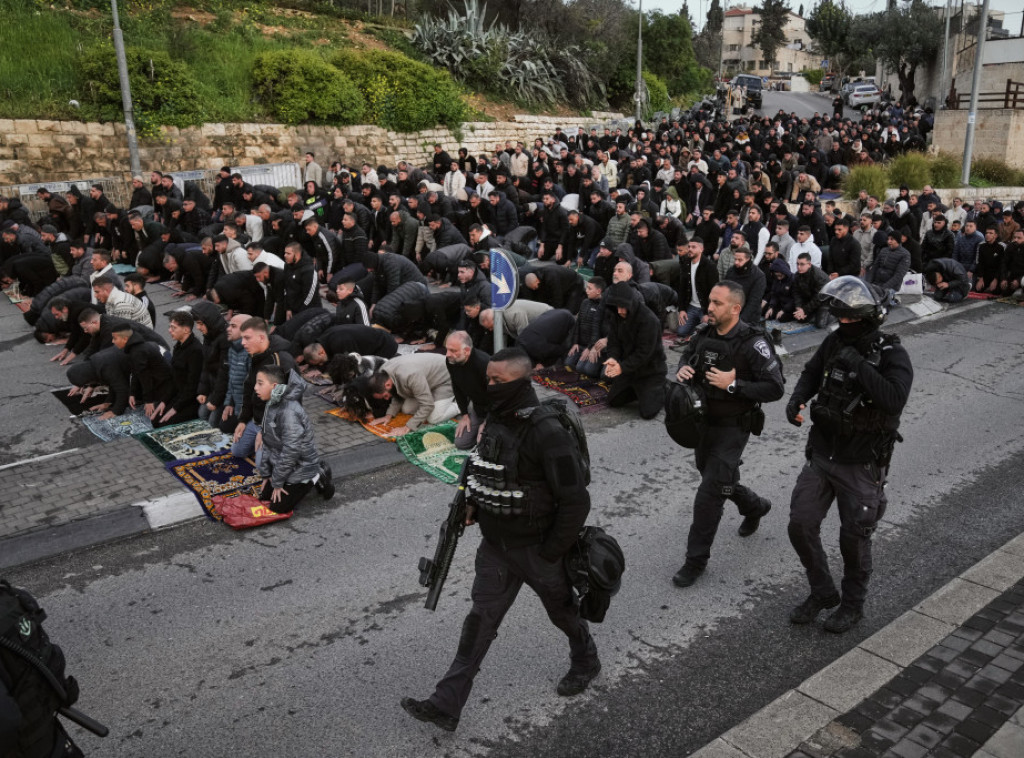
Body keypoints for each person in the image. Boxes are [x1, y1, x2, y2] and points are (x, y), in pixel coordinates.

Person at [402, 348, 598, 732]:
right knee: (480, 619)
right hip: (496, 548)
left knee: (562, 612)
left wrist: (550, 552)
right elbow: (487, 468)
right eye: (487, 379)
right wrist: (474, 504)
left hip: (539, 548)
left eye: (497, 381)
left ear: (521, 383)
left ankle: (586, 658)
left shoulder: (546, 431)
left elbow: (576, 500)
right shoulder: (494, 419)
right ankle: (446, 703)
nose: (489, 386)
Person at [785, 277, 913, 632]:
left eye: (850, 319)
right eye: (840, 319)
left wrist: (859, 365)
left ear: (868, 318)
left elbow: (893, 399)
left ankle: (853, 605)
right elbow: (811, 372)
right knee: (801, 524)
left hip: (862, 464)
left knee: (853, 538)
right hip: (823, 453)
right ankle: (823, 592)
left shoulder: (892, 353)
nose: (843, 324)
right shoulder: (835, 340)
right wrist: (796, 399)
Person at [672, 280, 785, 588]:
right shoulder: (705, 333)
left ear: (735, 308)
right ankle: (755, 506)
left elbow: (776, 387)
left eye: (717, 303)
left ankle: (695, 561)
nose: (709, 307)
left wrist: (734, 385)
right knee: (716, 479)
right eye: (709, 300)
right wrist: (683, 369)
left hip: (734, 427)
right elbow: (688, 357)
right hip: (702, 423)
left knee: (709, 494)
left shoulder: (753, 341)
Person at [255, 364, 334, 514]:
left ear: (274, 386)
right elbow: (268, 442)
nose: (255, 388)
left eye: (260, 383)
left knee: (278, 508)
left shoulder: (289, 412)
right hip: (285, 463)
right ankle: (292, 481)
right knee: (264, 497)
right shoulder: (272, 403)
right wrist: (266, 474)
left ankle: (317, 474)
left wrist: (277, 482)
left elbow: (292, 450)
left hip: (302, 464)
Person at [601, 281, 666, 419]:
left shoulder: (649, 320)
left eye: (623, 306)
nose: (620, 311)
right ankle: (638, 391)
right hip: (630, 370)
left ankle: (663, 387)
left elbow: (644, 353)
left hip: (650, 371)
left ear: (630, 303)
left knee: (647, 413)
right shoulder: (616, 316)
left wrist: (621, 367)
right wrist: (612, 358)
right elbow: (613, 342)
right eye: (617, 306)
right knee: (613, 401)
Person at [367, 353, 460, 435]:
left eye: (385, 396)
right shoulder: (383, 372)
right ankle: (432, 397)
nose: (387, 399)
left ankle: (461, 403)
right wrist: (389, 415)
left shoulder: (410, 375)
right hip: (426, 380)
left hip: (446, 379)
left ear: (387, 384)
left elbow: (427, 405)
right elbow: (396, 391)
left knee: (434, 418)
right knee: (406, 409)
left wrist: (408, 427)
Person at [444, 330, 490, 449]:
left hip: (496, 410)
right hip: (478, 408)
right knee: (461, 443)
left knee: (485, 444)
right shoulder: (451, 360)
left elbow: (498, 397)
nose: (448, 354)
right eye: (447, 349)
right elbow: (457, 387)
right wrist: (464, 414)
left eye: (453, 350)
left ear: (467, 351)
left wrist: (488, 422)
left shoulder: (483, 363)